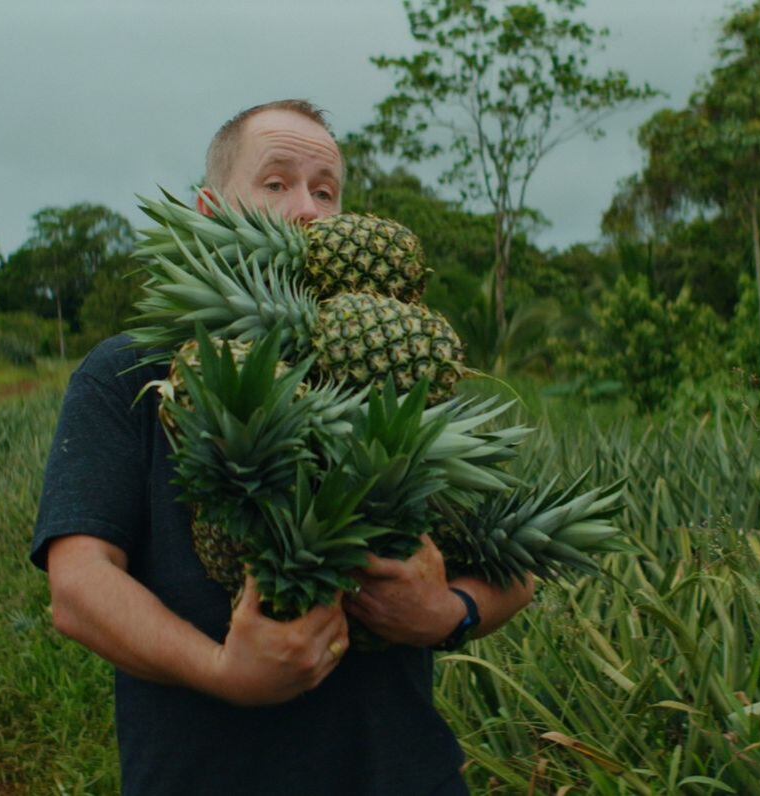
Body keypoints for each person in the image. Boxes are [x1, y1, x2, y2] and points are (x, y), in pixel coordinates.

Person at [31, 99, 536, 795]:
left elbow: (519, 563)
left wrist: (450, 613)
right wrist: (222, 671)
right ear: (210, 211)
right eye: (276, 184)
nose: (307, 210)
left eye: (325, 191)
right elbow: (78, 587)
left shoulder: (398, 366)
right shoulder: (129, 373)